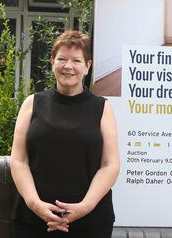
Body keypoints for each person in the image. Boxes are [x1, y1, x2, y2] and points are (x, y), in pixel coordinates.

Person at [10, 30, 120, 237]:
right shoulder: (32, 104)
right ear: (52, 62)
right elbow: (19, 160)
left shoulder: (103, 108)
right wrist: (35, 204)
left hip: (91, 222)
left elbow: (110, 165)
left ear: (88, 66)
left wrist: (85, 207)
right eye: (62, 59)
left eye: (77, 60)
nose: (68, 66)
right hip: (33, 221)